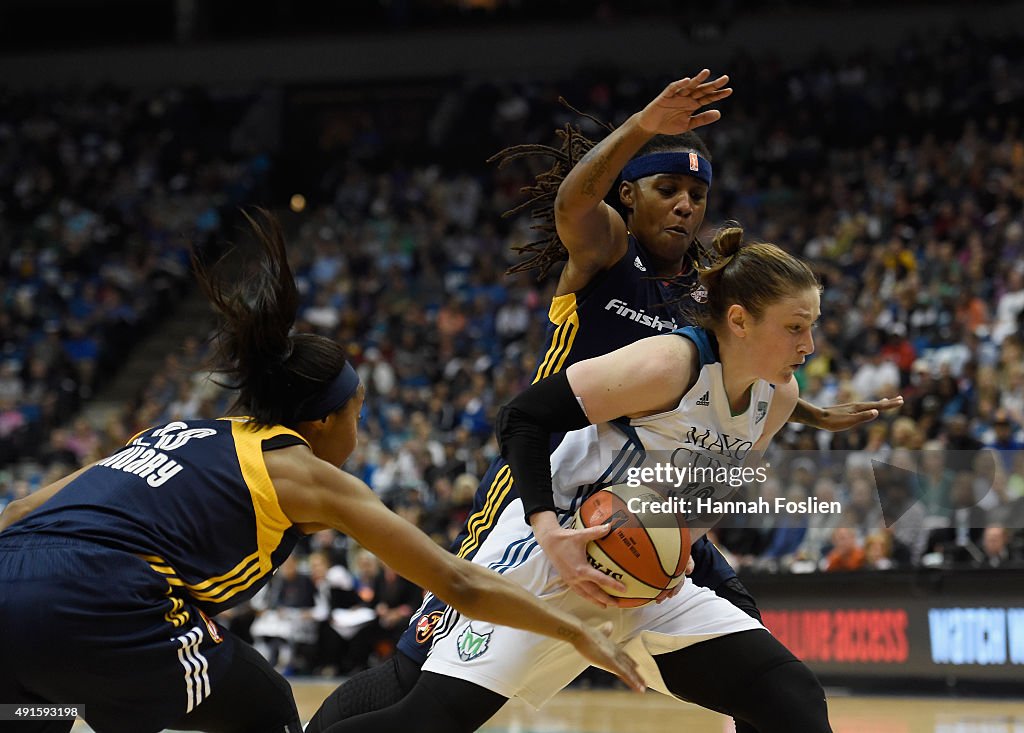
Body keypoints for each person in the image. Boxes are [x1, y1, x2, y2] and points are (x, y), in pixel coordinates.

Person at [309, 70, 900, 731]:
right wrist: (645, 125)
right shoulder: (611, 251)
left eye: (697, 194)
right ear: (629, 194)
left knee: (767, 667)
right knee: (415, 678)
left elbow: (746, 377)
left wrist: (808, 407)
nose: (684, 204)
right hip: (542, 487)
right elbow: (572, 204)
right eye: (667, 188)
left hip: (641, 500)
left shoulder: (704, 300)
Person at [0, 210, 643, 733]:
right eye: (357, 415)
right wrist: (575, 632)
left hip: (11, 580)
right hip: (108, 594)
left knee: (48, 712)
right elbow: (457, 582)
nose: (359, 434)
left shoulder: (169, 432)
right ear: (322, 422)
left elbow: (18, 515)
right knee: (269, 712)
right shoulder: (301, 474)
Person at [320, 226, 836, 733]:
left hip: (640, 581)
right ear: (741, 321)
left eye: (812, 326)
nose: (809, 344)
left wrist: (672, 559)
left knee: (789, 696)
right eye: (795, 327)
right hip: (553, 558)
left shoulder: (778, 397)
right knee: (423, 721)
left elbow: (708, 498)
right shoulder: (671, 363)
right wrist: (549, 532)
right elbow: (521, 416)